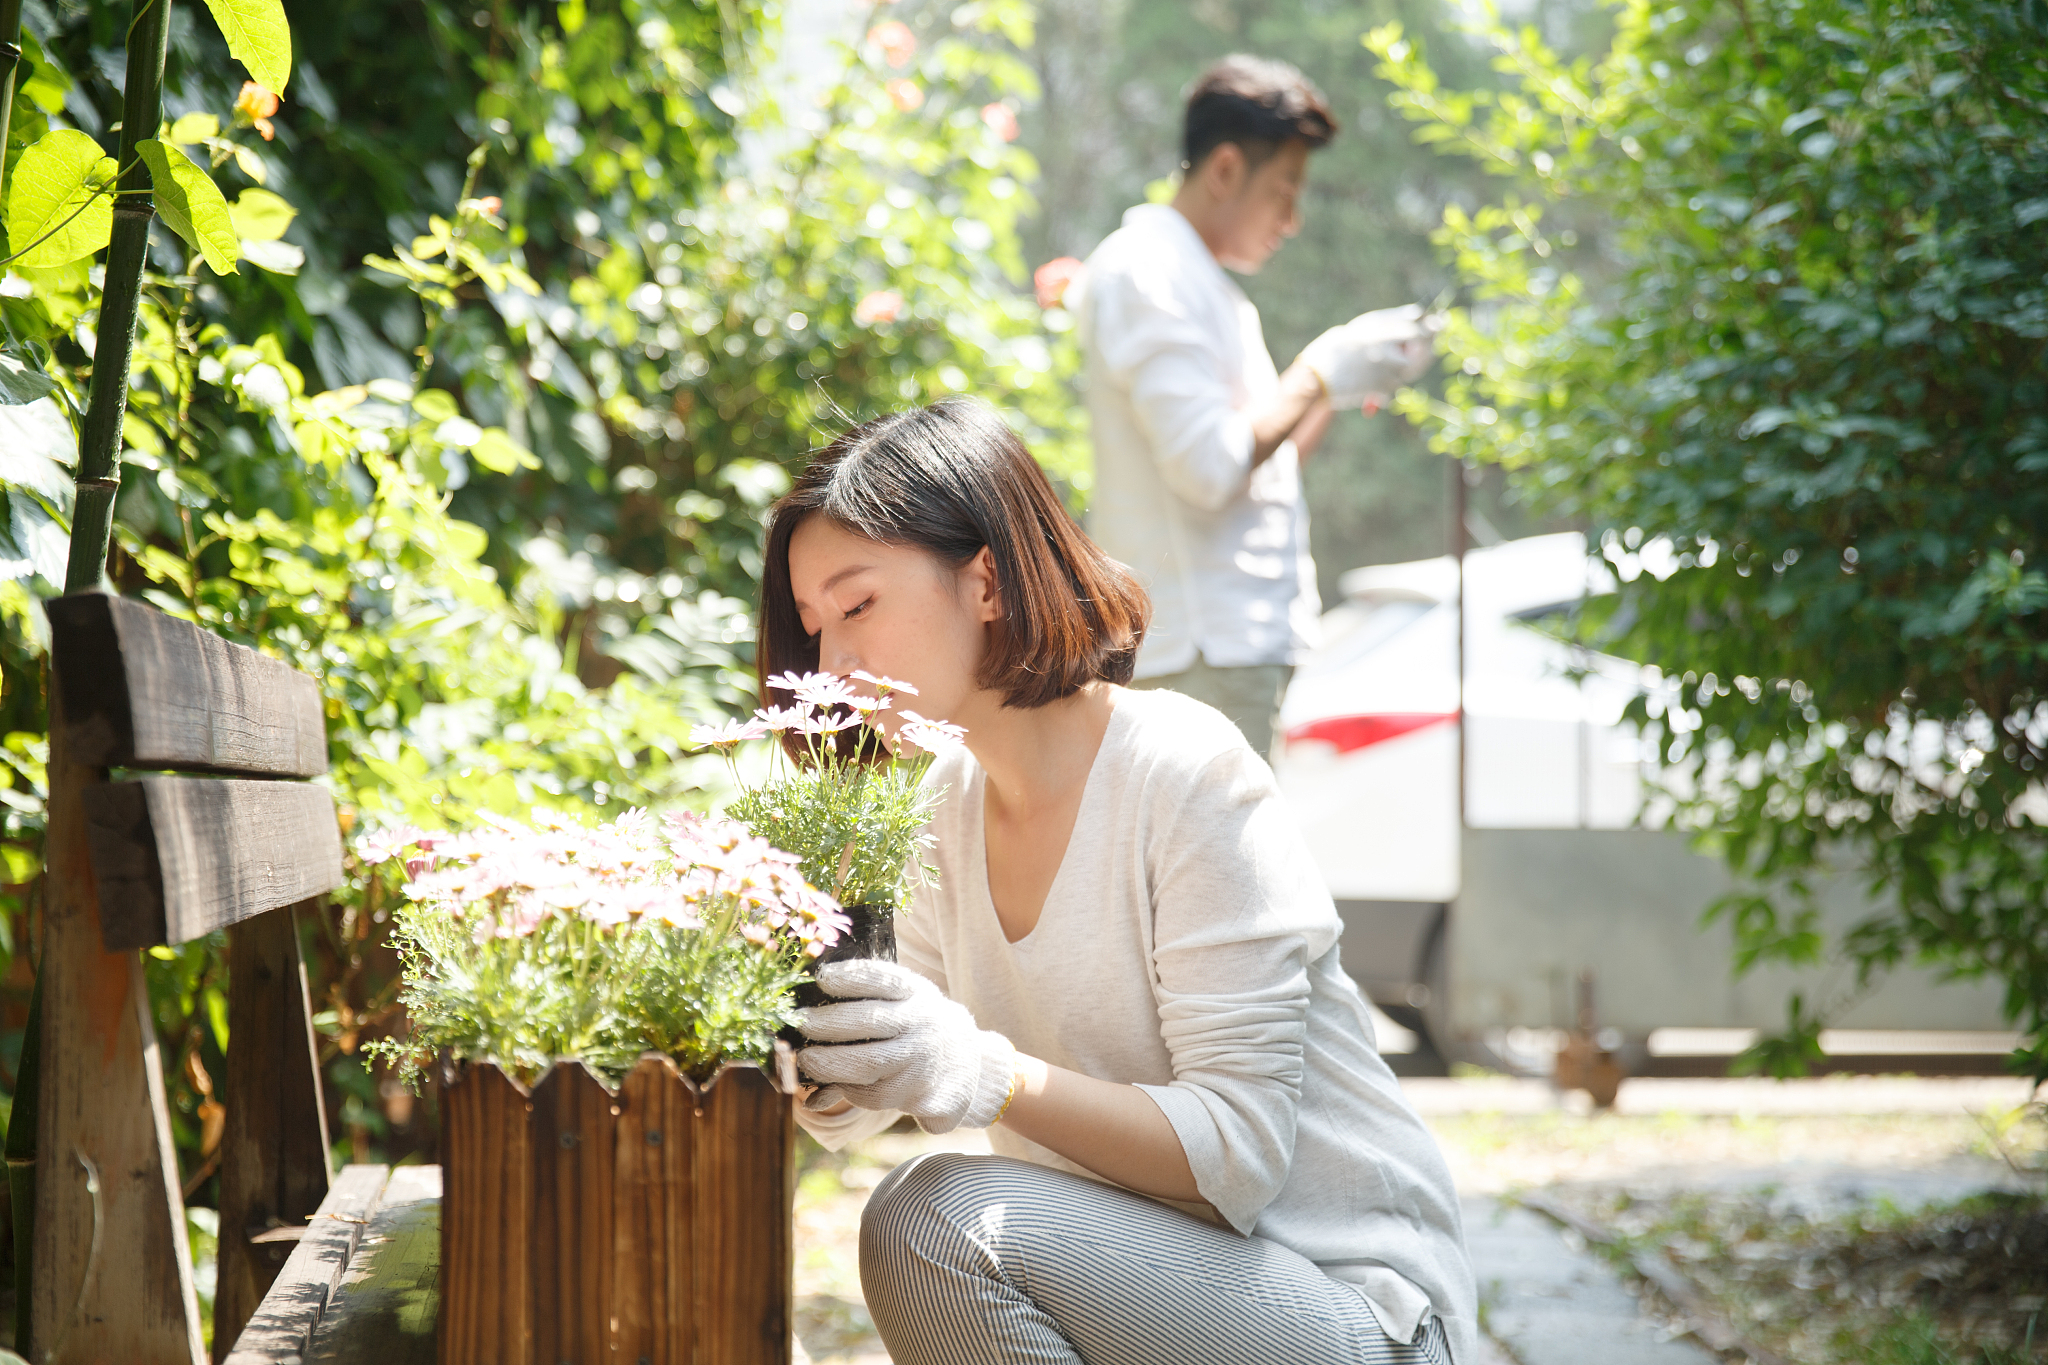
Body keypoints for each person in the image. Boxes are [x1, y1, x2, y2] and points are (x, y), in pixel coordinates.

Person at [761, 397, 1475, 1365]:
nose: (834, 663)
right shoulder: (938, 809)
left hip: (1354, 1310)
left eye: (858, 607)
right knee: (925, 1219)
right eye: (812, 628)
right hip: (1158, 1302)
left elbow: (1234, 1156)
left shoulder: (1183, 772)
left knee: (933, 1218)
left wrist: (982, 1072)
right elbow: (885, 1080)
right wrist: (816, 1043)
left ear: (985, 583)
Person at [1076, 55, 1437, 756]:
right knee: (1215, 867)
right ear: (1225, 171)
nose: (1293, 220)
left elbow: (1257, 470)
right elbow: (1210, 469)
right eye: (1284, 191)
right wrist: (1319, 367)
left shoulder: (1205, 286)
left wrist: (1345, 379)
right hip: (1200, 650)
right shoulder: (1147, 271)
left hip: (1229, 646)